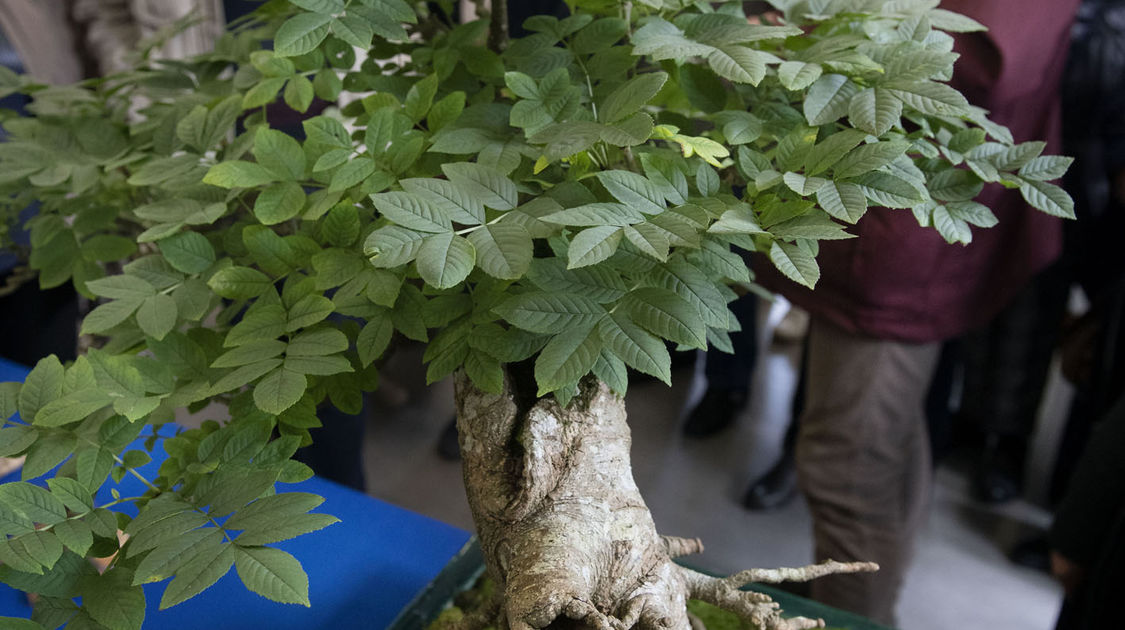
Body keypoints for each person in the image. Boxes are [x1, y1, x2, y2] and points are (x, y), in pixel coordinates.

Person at [753, 1, 1081, 624]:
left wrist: (805, 27)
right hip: (890, 201)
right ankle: (879, 610)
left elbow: (989, 56)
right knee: (889, 445)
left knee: (845, 465)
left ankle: (857, 619)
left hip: (908, 218)